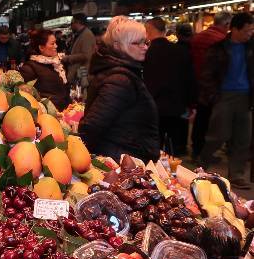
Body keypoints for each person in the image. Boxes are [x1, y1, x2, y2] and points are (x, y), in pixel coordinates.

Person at [79, 16, 160, 162]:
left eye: (145, 41)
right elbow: (92, 126)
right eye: (137, 43)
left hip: (122, 156)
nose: (145, 47)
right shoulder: (120, 79)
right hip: (122, 162)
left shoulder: (120, 72)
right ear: (117, 46)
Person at [198, 12, 254, 189]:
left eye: (252, 30)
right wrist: (214, 96)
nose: (250, 34)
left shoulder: (251, 48)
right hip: (224, 96)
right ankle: (202, 165)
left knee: (243, 138)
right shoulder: (219, 48)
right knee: (218, 135)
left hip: (246, 97)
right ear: (235, 29)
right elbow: (207, 74)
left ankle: (236, 174)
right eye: (247, 30)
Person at [143, 17, 196, 156]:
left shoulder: (145, 53)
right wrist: (192, 105)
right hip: (176, 107)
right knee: (174, 149)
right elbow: (190, 80)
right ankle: (172, 175)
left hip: (153, 107)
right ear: (164, 30)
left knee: (154, 147)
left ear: (148, 31)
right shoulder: (181, 51)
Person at [191, 12, 232, 158]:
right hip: (213, 86)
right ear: (226, 24)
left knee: (200, 120)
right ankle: (205, 154)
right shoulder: (221, 40)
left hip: (197, 83)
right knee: (211, 123)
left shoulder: (198, 37)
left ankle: (196, 150)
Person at [20, 29, 70, 110]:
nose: (56, 46)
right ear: (41, 47)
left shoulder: (57, 63)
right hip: (47, 115)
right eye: (52, 44)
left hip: (65, 111)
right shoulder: (30, 68)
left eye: (55, 43)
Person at [64, 13, 97, 90]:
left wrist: (68, 58)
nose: (71, 25)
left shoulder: (87, 35)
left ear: (77, 22)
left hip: (82, 73)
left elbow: (86, 55)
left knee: (81, 97)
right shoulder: (80, 34)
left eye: (72, 22)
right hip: (78, 72)